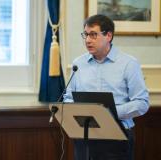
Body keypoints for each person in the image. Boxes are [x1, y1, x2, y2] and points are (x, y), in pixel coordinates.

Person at [63, 14, 149, 160]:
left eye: (93, 35)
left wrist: (107, 113)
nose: (88, 40)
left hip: (117, 137)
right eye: (86, 35)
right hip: (84, 138)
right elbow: (68, 98)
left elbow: (142, 103)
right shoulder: (78, 64)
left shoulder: (129, 64)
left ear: (108, 35)